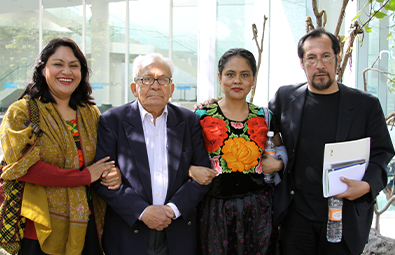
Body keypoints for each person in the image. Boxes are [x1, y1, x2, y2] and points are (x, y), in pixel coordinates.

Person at [268, 28, 394, 255]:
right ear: (302, 62)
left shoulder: (366, 105)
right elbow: (257, 126)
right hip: (296, 218)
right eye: (311, 58)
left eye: (326, 56)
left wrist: (366, 186)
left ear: (337, 58)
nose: (320, 65)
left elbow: (382, 153)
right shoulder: (285, 98)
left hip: (344, 218)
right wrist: (213, 109)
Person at [0, 37, 121, 255]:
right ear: (43, 68)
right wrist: (84, 177)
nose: (66, 71)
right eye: (58, 64)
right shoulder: (21, 112)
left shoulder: (90, 113)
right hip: (39, 229)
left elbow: (103, 159)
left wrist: (112, 173)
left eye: (74, 66)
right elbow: (23, 167)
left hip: (87, 223)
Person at [91, 52, 211, 255]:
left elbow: (203, 175)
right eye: (147, 79)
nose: (155, 85)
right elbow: (103, 179)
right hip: (129, 231)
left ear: (171, 89)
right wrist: (142, 211)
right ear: (134, 88)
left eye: (163, 79)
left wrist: (173, 209)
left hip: (177, 231)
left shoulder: (189, 121)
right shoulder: (112, 121)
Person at [190, 48, 286, 255]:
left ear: (253, 79)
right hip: (213, 209)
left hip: (258, 208)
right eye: (230, 74)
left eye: (245, 75)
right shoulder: (201, 116)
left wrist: (279, 163)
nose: (237, 81)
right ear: (220, 78)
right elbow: (183, 157)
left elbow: (279, 151)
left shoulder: (265, 116)